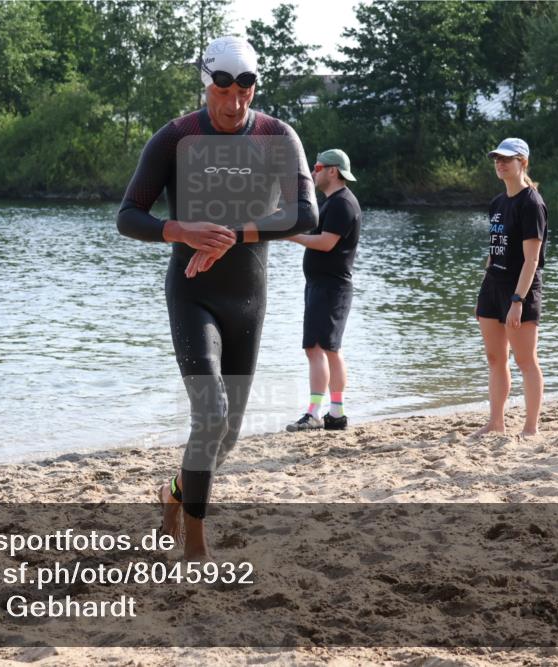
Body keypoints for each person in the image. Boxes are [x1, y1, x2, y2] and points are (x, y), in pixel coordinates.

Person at [117, 35, 316, 559]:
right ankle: (196, 546)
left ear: (254, 88)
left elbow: (305, 215)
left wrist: (232, 232)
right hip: (192, 293)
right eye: (222, 91)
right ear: (206, 85)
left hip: (247, 298)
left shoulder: (277, 137)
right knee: (210, 416)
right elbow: (128, 216)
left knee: (225, 436)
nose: (233, 105)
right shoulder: (175, 137)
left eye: (244, 91)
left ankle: (173, 496)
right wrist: (178, 230)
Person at [473, 137, 547, 437]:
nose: (500, 163)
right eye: (497, 159)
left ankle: (530, 428)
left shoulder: (532, 203)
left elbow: (532, 260)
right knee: (494, 358)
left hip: (520, 289)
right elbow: (495, 249)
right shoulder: (497, 202)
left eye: (507, 159)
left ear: (523, 163)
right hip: (493, 286)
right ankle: (495, 423)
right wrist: (484, 288)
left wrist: (518, 299)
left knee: (525, 360)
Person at [285, 149, 361, 432]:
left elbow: (326, 243)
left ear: (333, 171)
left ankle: (321, 412)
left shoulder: (343, 204)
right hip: (321, 285)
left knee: (324, 348)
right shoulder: (331, 203)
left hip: (332, 286)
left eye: (318, 167)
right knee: (318, 348)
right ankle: (332, 412)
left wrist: (290, 237)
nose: (314, 172)